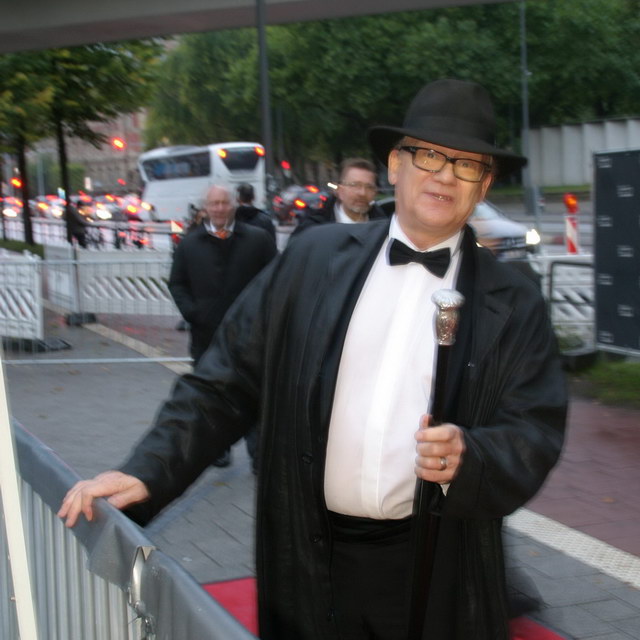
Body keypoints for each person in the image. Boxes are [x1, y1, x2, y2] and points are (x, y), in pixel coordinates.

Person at [59, 79, 567, 640]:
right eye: (429, 155)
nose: (445, 175)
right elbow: (223, 383)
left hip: (440, 566)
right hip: (308, 558)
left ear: (484, 183)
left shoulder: (513, 300)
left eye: (466, 164)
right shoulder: (311, 260)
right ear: (395, 164)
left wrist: (473, 456)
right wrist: (147, 471)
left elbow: (535, 430)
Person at [167, 183, 276, 467]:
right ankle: (218, 449)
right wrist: (193, 313)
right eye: (213, 203)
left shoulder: (257, 239)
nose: (219, 209)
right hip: (207, 336)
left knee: (253, 394)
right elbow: (177, 283)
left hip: (251, 335)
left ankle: (259, 453)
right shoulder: (189, 244)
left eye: (224, 203)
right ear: (205, 208)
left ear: (234, 205)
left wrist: (262, 315)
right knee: (211, 396)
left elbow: (276, 278)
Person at [292, 157, 387, 236]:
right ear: (339, 190)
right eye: (354, 185)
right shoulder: (312, 230)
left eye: (369, 187)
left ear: (375, 192)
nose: (362, 193)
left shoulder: (385, 230)